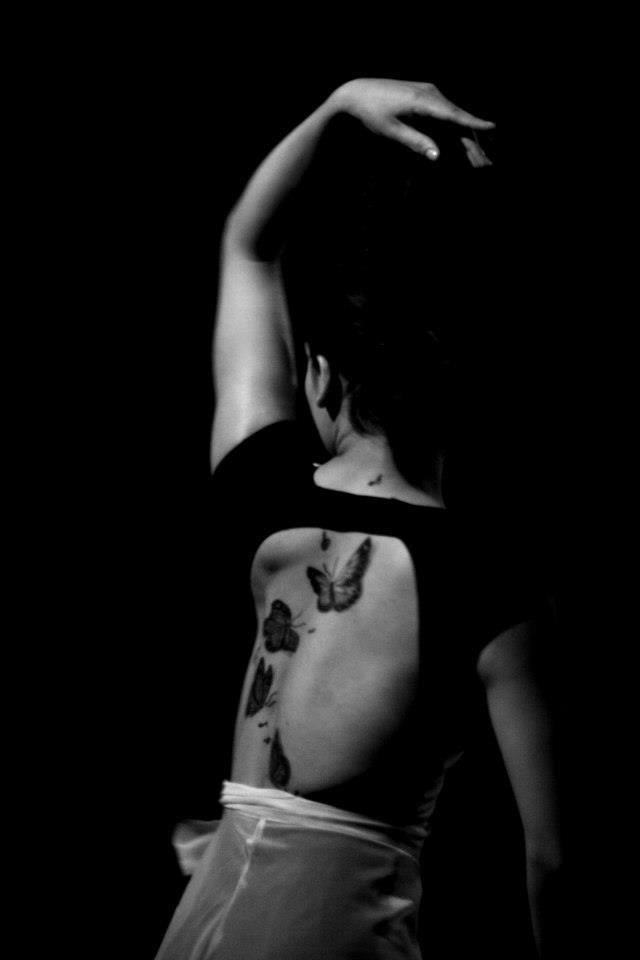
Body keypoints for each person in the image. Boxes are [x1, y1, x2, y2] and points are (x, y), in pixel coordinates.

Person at [154, 79, 564, 960]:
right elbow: (553, 858)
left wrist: (338, 105)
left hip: (201, 933)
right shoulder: (491, 581)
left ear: (321, 375)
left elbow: (247, 245)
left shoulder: (261, 490)